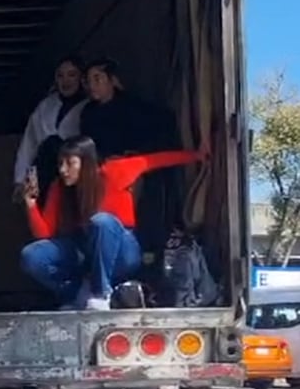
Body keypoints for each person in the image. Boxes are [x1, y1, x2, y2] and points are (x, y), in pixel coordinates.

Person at [20, 135, 208, 310]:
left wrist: (197, 156)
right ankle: (77, 295)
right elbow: (44, 234)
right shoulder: (58, 187)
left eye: (70, 163)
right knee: (32, 255)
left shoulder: (116, 171)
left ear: (86, 163)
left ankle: (101, 294)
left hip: (123, 249)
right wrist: (31, 204)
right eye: (60, 163)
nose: (63, 170)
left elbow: (155, 160)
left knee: (101, 222)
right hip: (84, 248)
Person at [13, 55, 88, 205]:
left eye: (71, 75)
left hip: (76, 179)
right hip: (45, 175)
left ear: (81, 78)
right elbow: (29, 145)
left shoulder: (89, 107)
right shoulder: (45, 106)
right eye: (60, 76)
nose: (65, 81)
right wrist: (20, 180)